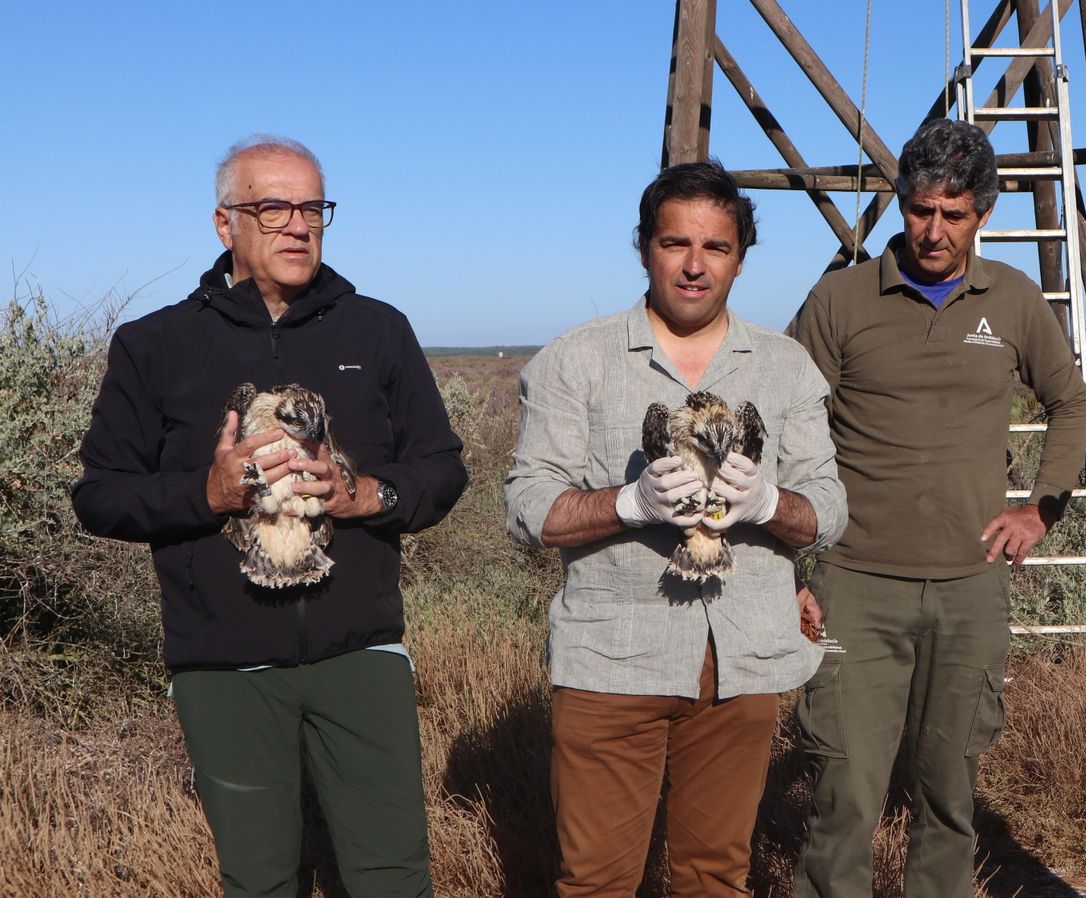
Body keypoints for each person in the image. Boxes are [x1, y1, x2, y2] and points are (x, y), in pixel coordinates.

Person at [72, 135, 466, 898]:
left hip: (362, 653)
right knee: (258, 881)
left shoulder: (378, 330)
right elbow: (101, 494)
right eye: (275, 207)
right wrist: (208, 493)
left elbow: (443, 468)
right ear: (226, 225)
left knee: (393, 877)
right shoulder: (155, 345)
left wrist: (365, 496)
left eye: (313, 206)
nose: (300, 224)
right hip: (223, 663)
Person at [504, 159, 846, 898]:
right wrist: (628, 505)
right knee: (595, 881)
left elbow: (828, 514)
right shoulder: (577, 359)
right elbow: (529, 508)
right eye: (674, 245)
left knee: (716, 878)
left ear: (741, 258)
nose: (694, 267)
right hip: (610, 660)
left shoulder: (787, 369)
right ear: (644, 248)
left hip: (744, 662)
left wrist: (768, 503)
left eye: (715, 248)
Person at [786, 118, 1086, 898]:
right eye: (920, 210)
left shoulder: (1016, 302)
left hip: (970, 586)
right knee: (843, 796)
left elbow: (1073, 403)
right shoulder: (840, 299)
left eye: (953, 215)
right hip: (856, 581)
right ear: (899, 204)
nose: (933, 230)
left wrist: (1040, 511)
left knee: (948, 798)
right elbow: (782, 423)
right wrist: (788, 568)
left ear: (982, 216)